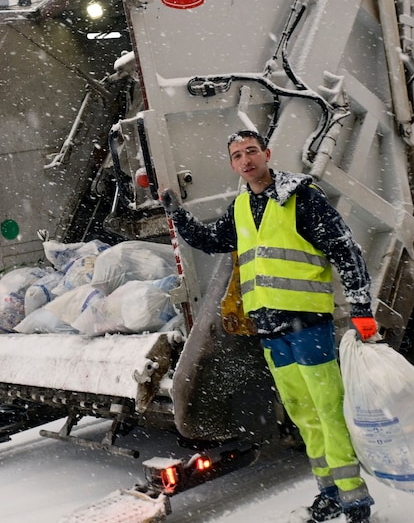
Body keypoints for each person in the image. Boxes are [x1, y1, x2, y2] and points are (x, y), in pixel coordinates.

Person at [160, 129, 378, 523]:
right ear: (232, 165)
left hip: (308, 325)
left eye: (251, 151)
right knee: (302, 413)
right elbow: (211, 240)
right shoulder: (242, 207)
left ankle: (355, 500)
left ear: (267, 154)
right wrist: (178, 216)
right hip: (270, 330)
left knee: (328, 410)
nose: (246, 160)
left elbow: (345, 249)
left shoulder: (302, 197)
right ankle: (329, 492)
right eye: (237, 155)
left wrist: (361, 308)